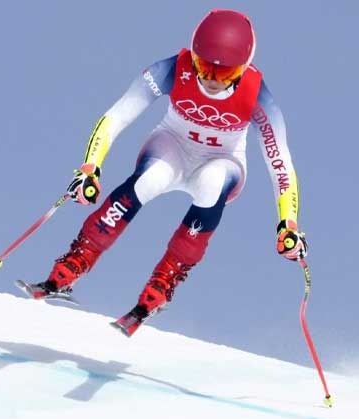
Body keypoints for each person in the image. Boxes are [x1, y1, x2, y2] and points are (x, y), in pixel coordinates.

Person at [22, 9, 308, 336]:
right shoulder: (172, 68)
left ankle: (163, 282)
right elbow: (117, 116)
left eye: (225, 74)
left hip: (222, 159)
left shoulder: (257, 94)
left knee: (212, 184)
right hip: (171, 145)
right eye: (203, 68)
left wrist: (288, 222)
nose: (212, 81)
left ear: (243, 69)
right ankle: (75, 261)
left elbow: (279, 161)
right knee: (149, 179)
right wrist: (91, 167)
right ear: (194, 57)